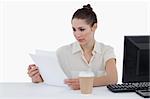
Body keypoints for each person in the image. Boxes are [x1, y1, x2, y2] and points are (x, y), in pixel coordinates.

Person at [27, 4, 118, 90]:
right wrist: (37, 78)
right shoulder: (62, 52)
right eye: (74, 29)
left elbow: (113, 79)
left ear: (94, 27)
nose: (77, 34)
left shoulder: (107, 51)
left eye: (81, 29)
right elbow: (52, 81)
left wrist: (85, 83)